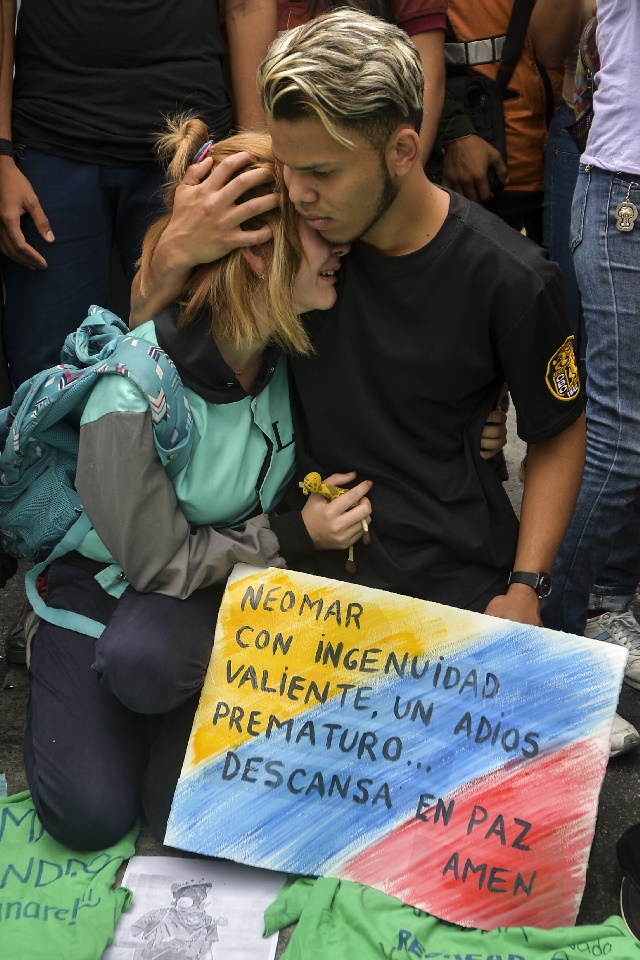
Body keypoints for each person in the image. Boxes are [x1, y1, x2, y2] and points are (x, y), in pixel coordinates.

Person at [132, 9, 585, 629]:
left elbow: (558, 427)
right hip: (296, 584)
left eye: (322, 172)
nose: (297, 192)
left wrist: (527, 584)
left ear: (402, 150)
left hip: (453, 582)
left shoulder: (512, 278)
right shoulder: (284, 236)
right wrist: (178, 247)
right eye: (288, 164)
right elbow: (138, 350)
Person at [24, 126, 373, 852]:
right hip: (119, 582)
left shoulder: (291, 344)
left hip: (209, 594)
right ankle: (63, 660)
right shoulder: (133, 392)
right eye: (313, 229)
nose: (340, 242)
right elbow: (160, 565)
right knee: (89, 814)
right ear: (255, 252)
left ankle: (166, 708)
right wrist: (296, 532)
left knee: (174, 810)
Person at [0, 0, 277, 387]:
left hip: (189, 148)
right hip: (51, 142)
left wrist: (255, 153)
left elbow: (247, 6)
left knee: (200, 366)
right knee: (45, 383)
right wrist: (1, 151)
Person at [432, 0, 582, 244]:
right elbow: (405, 52)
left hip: (561, 164)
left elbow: (552, 52)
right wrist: (453, 132)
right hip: (479, 175)